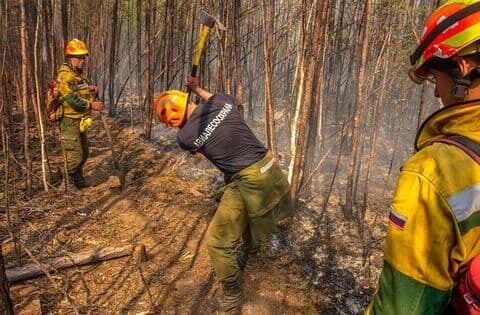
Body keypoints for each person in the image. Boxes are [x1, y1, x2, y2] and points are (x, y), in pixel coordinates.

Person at [367, 0, 480, 314]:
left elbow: (400, 308)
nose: (435, 93)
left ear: (462, 69)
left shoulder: (434, 173)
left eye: (435, 79)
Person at [153, 76, 293, 312]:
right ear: (187, 99)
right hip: (271, 169)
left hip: (250, 181)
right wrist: (197, 88)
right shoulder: (223, 103)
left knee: (217, 240)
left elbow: (196, 134)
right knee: (247, 224)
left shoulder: (185, 138)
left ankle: (232, 295)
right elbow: (213, 99)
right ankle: (241, 260)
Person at [56, 39, 104, 192]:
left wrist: (90, 89)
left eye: (84, 57)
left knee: (84, 152)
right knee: (74, 154)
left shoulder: (77, 75)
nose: (82, 61)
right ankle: (67, 182)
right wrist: (92, 105)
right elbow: (71, 99)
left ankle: (77, 177)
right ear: (70, 58)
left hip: (80, 120)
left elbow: (79, 90)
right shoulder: (65, 76)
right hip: (69, 121)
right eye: (79, 57)